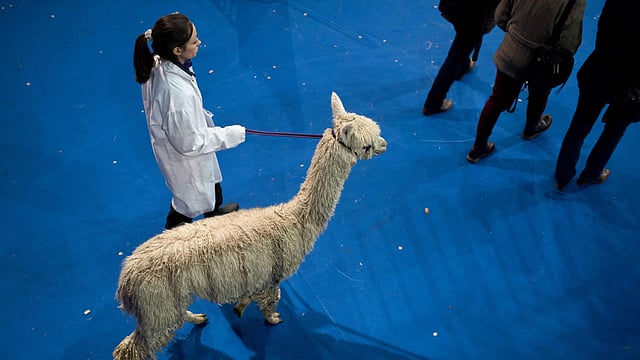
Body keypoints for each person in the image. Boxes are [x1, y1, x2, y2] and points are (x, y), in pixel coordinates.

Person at [133, 13, 246, 229]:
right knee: (185, 208)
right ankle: (170, 244)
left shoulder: (164, 62)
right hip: (187, 158)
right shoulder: (176, 96)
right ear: (177, 50)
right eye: (194, 41)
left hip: (190, 148)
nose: (199, 43)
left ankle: (214, 218)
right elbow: (189, 141)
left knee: (213, 189)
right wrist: (230, 135)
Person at [466, 0, 585, 163]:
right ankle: (532, 128)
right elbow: (569, 42)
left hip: (511, 53)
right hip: (543, 63)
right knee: (540, 94)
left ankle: (478, 148)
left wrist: (516, 36)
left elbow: (501, 16)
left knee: (497, 100)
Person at [555, 0, 640, 190]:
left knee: (579, 125)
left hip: (601, 72)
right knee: (614, 132)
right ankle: (592, 174)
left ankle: (562, 176)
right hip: (632, 86)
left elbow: (603, 29)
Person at [422, 0, 501, 116]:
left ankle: (463, 66)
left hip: (454, 7)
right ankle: (434, 102)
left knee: (463, 41)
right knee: (457, 55)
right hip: (475, 15)